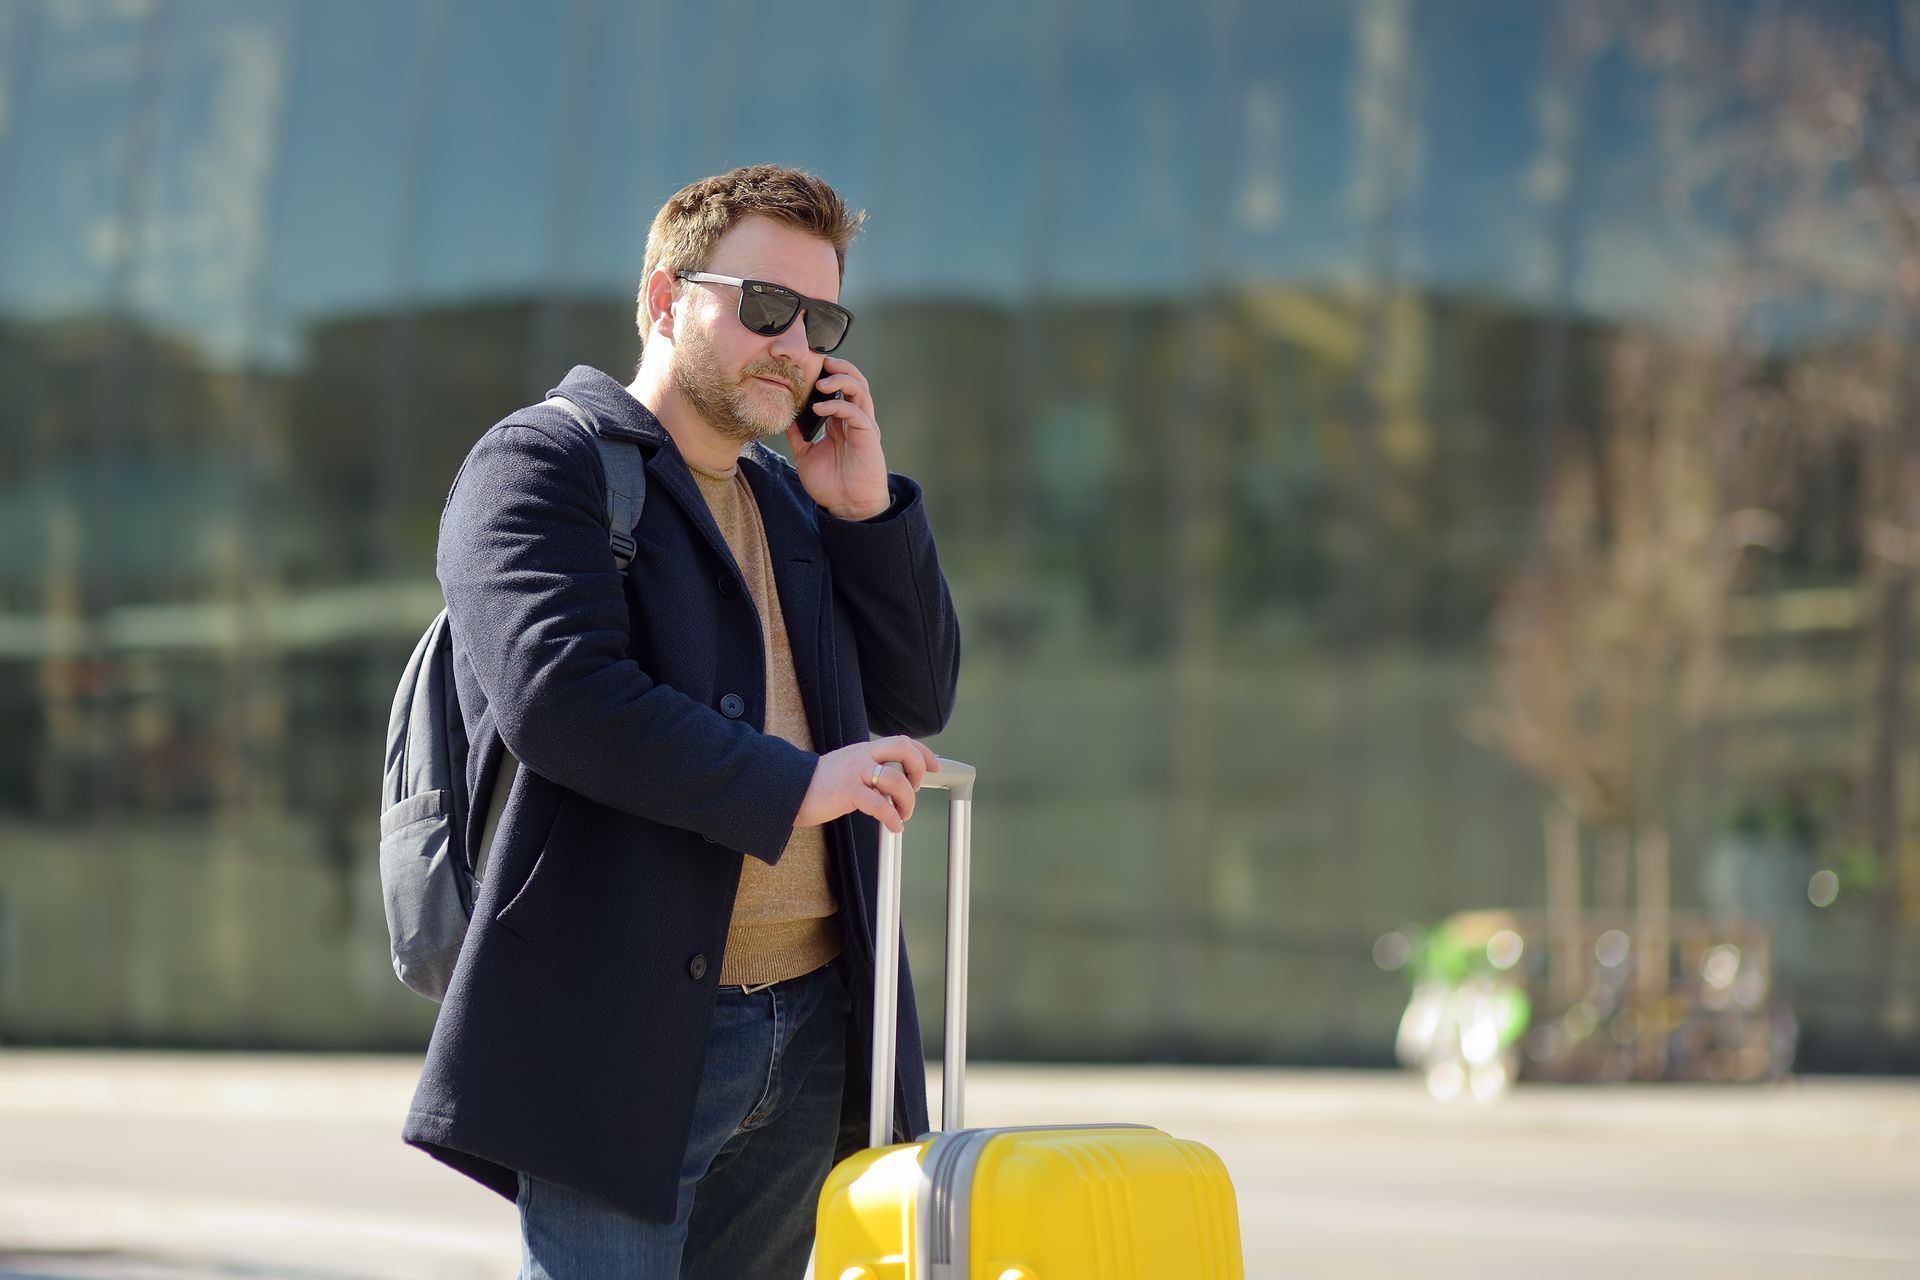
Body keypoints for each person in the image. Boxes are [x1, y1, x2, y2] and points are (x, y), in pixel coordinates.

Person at [402, 164, 961, 1278]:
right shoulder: (538, 463)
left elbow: (916, 698)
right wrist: (794, 784)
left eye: (820, 318)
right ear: (663, 301)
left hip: (811, 1025)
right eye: (763, 305)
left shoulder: (795, 500)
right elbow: (562, 696)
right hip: (624, 1024)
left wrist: (865, 513)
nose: (793, 342)